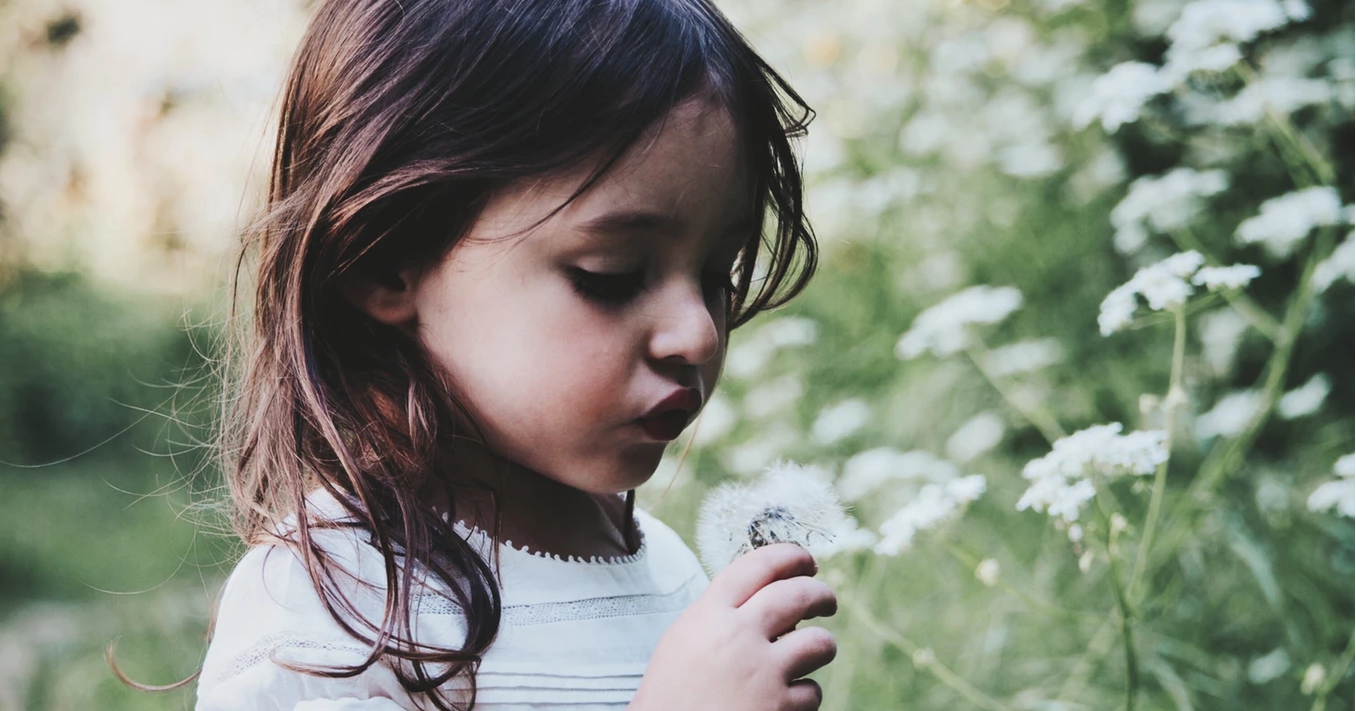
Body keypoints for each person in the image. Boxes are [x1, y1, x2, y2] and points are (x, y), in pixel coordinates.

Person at [193, 0, 835, 708]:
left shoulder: (671, 573)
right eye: (612, 274)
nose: (699, 334)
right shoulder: (328, 610)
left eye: (718, 273)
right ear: (386, 261)